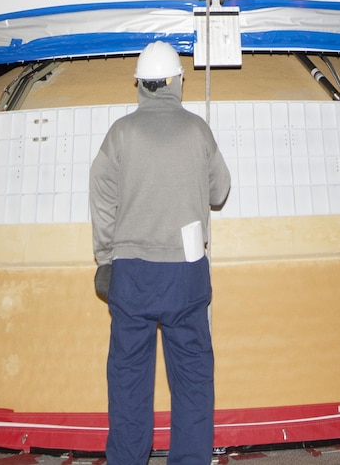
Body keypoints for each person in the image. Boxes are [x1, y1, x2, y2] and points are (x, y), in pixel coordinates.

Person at [89, 42, 233, 465]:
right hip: (186, 272)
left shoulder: (121, 132)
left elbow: (101, 197)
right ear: (176, 83)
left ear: (141, 85)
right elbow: (220, 191)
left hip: (131, 273)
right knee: (191, 380)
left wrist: (104, 258)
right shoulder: (197, 130)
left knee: (129, 378)